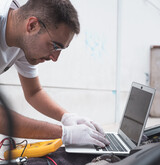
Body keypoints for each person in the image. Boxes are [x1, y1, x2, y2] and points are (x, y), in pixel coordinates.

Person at [0, 0, 109, 148]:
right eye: (54, 46)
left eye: (61, 49)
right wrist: (65, 133)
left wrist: (66, 117)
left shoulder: (22, 37)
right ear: (32, 26)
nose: (55, 58)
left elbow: (34, 92)